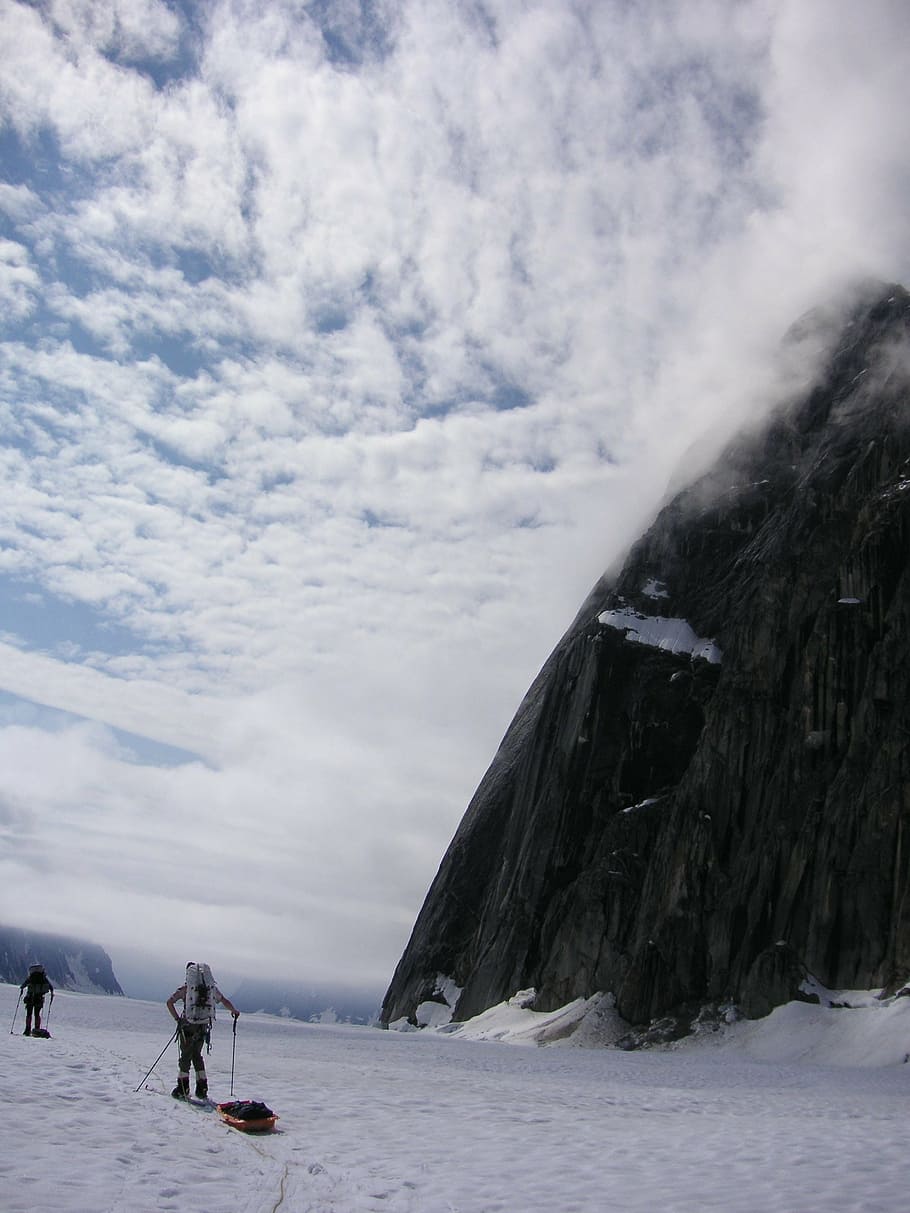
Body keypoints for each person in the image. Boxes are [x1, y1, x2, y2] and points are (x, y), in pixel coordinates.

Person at [166, 961, 239, 1100]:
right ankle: (202, 1087)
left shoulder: (186, 989)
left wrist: (178, 1019)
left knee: (185, 1056)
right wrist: (234, 1011)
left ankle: (183, 1087)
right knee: (197, 1055)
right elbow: (223, 1000)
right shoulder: (209, 989)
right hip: (203, 1026)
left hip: (187, 1026)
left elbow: (169, 1003)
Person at [20, 963, 54, 1036]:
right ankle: (37, 1029)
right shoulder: (43, 978)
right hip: (39, 998)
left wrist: (22, 988)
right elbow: (50, 987)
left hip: (30, 997)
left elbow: (23, 985)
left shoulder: (31, 977)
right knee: (37, 1014)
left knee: (29, 1014)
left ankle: (27, 1030)